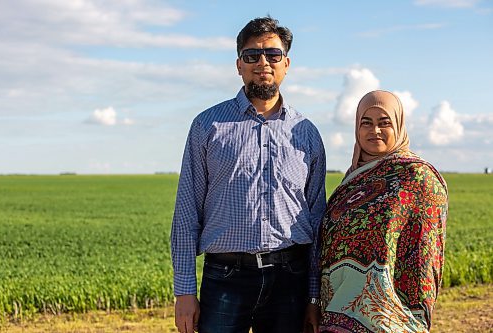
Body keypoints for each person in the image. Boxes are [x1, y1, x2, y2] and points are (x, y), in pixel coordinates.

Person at [170, 17, 327, 333]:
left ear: (286, 64)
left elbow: (316, 221)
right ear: (239, 64)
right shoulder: (208, 126)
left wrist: (313, 295)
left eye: (273, 54)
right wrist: (184, 292)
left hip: (290, 280)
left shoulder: (307, 133)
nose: (263, 63)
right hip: (225, 278)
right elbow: (186, 214)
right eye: (252, 55)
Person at [319, 90, 448, 333]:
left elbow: (426, 254)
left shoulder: (418, 178)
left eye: (384, 123)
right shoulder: (350, 182)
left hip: (390, 316)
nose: (374, 130)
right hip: (335, 310)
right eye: (366, 123)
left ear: (398, 126)